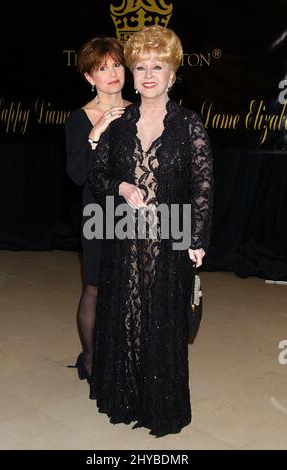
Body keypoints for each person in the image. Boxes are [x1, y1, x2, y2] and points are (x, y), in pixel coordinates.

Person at [88, 25, 214, 437]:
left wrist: (196, 238)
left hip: (171, 238)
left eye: (157, 66)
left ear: (172, 74)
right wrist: (121, 187)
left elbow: (202, 186)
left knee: (162, 319)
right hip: (124, 236)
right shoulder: (119, 123)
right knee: (126, 312)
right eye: (140, 66)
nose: (147, 74)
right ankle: (124, 395)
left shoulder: (189, 124)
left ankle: (160, 403)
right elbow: (97, 174)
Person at [65, 37, 131, 383]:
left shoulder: (142, 111)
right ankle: (90, 360)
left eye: (117, 64)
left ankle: (122, 356)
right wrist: (97, 131)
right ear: (90, 77)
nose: (112, 73)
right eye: (102, 68)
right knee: (95, 287)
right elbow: (78, 176)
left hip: (136, 214)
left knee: (131, 287)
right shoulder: (80, 119)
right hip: (98, 215)